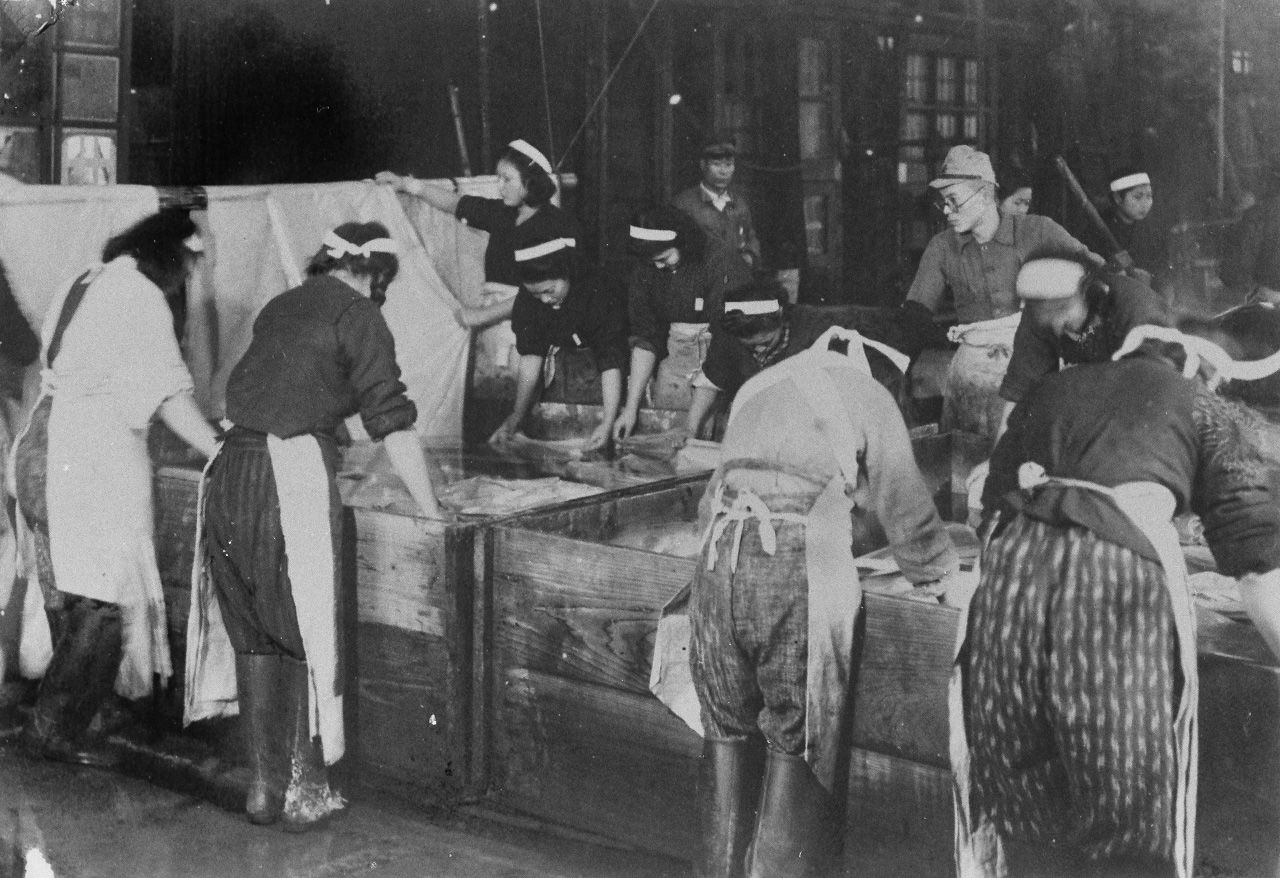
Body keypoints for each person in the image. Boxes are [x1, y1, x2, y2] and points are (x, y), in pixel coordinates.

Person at [953, 326, 1280, 878]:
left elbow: (989, 500)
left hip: (1009, 577)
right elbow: (1257, 561)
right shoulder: (1205, 406)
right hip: (1107, 583)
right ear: (1210, 370)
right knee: (1125, 815)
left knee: (1026, 814)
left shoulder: (1058, 386)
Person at [679, 328, 961, 877]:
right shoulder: (868, 394)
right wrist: (943, 579)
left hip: (716, 567)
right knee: (798, 733)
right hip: (791, 567)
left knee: (726, 729)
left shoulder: (759, 388)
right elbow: (906, 507)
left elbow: (710, 503)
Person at [191, 222, 443, 831]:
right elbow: (393, 422)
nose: (379, 297)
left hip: (228, 471)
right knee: (303, 626)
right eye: (381, 286)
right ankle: (306, 790)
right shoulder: (358, 313)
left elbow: (297, 385)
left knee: (254, 631)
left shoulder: (283, 304)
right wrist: (433, 510)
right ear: (371, 274)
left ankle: (263, 787)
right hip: (286, 475)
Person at [13, 210, 219, 767]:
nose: (188, 280)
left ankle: (86, 714)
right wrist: (219, 449)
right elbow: (170, 397)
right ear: (171, 255)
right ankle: (52, 730)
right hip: (87, 459)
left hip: (43, 446)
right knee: (103, 603)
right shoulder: (138, 295)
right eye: (189, 266)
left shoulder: (84, 280)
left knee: (72, 595)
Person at [902, 145, 1099, 439]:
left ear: (984, 194)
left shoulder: (1038, 231)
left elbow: (1095, 273)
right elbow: (915, 314)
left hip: (1032, 369)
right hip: (970, 374)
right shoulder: (942, 247)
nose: (946, 211)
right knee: (966, 453)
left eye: (953, 200)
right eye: (943, 202)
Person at [376, 139, 575, 327]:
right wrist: (407, 184)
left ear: (530, 181)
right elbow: (455, 203)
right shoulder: (501, 213)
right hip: (495, 324)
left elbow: (549, 290)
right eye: (498, 178)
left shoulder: (557, 225)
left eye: (507, 179)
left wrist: (482, 315)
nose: (500, 187)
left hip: (533, 326)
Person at [688, 278, 915, 439]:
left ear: (780, 316)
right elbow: (710, 382)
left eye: (766, 343)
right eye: (751, 347)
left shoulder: (818, 329)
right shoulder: (731, 331)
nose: (759, 352)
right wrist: (689, 431)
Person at [613, 206, 750, 442]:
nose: (658, 267)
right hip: (676, 363)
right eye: (652, 261)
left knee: (709, 439)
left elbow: (726, 342)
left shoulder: (720, 261)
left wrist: (694, 423)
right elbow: (646, 337)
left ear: (682, 243)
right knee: (667, 440)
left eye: (664, 259)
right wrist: (630, 409)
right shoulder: (648, 267)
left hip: (721, 361)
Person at [487, 235, 626, 453]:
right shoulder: (528, 301)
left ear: (566, 273)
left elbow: (610, 361)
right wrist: (517, 414)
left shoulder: (597, 292)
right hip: (562, 371)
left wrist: (608, 421)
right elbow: (531, 356)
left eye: (549, 291)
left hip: (605, 378)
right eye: (536, 294)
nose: (544, 300)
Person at [999, 254, 1172, 415]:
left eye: (1063, 308)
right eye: (1047, 313)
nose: (1056, 323)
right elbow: (1020, 390)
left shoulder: (1138, 312)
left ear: (1087, 291)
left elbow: (1156, 393)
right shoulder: (1041, 313)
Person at [672, 136, 761, 270]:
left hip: (736, 277)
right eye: (717, 164)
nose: (723, 171)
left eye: (728, 165)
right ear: (703, 165)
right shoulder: (683, 204)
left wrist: (750, 256)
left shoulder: (739, 204)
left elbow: (750, 237)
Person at [1082, 166, 1173, 293]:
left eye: (1149, 196)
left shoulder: (1153, 232)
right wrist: (1113, 272)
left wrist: (1152, 279)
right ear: (1118, 198)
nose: (1145, 204)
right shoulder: (1097, 229)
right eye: (1138, 197)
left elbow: (1163, 272)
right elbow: (1088, 272)